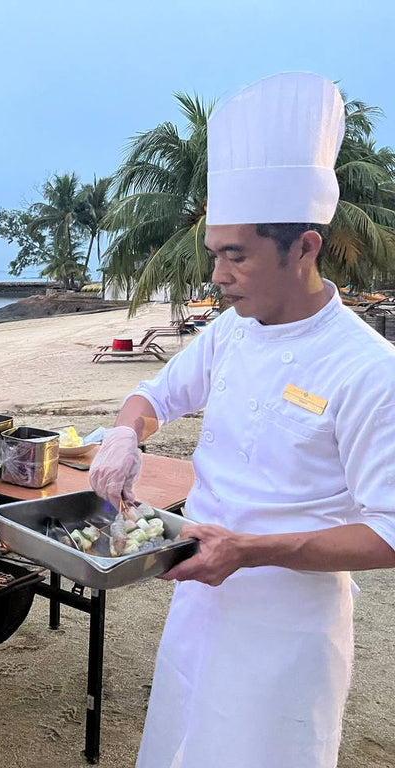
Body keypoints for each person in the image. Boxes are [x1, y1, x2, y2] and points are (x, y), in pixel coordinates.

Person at [89, 73, 395, 768]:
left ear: (305, 248)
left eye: (237, 255)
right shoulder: (233, 331)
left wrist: (250, 551)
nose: (218, 276)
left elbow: (388, 531)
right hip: (201, 599)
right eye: (214, 255)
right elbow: (154, 396)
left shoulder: (368, 369)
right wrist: (122, 435)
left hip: (288, 630)